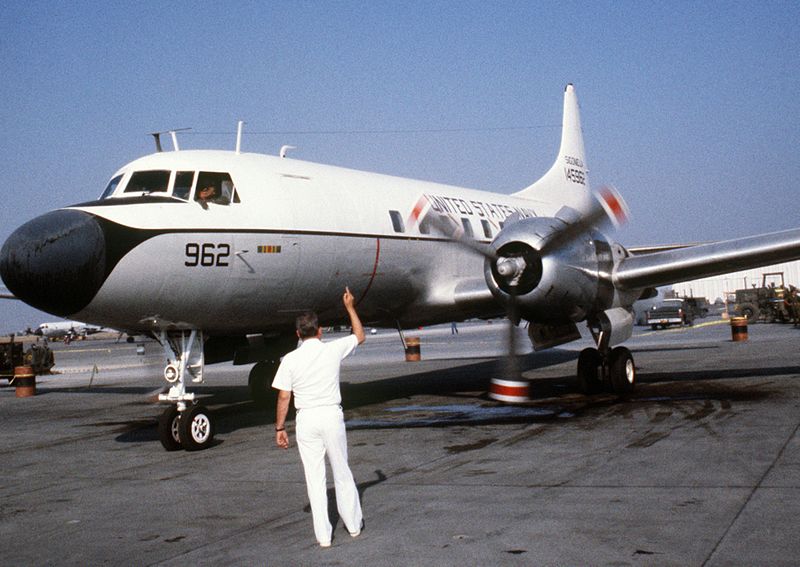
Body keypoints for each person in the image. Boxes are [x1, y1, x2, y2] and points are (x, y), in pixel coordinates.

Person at [272, 287, 365, 548]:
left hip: (306, 420)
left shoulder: (289, 359)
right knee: (342, 471)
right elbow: (359, 335)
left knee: (315, 479)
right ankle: (354, 526)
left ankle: (324, 537)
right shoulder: (332, 350)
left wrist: (280, 428)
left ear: (298, 334)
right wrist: (349, 307)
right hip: (331, 415)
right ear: (320, 331)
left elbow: (283, 397)